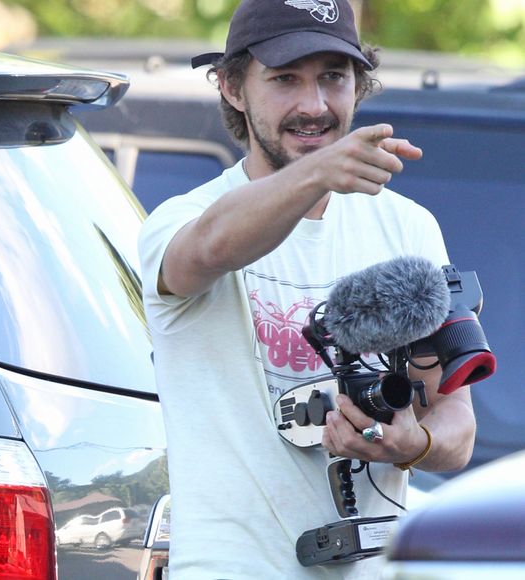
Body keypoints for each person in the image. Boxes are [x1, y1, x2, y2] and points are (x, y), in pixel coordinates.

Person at [138, 1, 476, 578]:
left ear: (359, 84)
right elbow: (211, 249)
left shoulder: (409, 227)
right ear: (231, 87)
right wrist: (318, 172)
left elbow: (457, 426)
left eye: (333, 77)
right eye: (285, 78)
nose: (314, 105)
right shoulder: (183, 218)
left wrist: (409, 443)